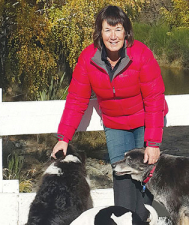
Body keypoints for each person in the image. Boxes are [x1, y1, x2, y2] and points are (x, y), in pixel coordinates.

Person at [51, 5, 168, 222]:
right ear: (99, 33)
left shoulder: (141, 55)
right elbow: (76, 100)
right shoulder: (88, 59)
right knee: (122, 178)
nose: (113, 36)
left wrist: (152, 142)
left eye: (118, 29)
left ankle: (141, 219)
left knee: (144, 179)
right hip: (115, 124)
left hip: (145, 122)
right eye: (107, 30)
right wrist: (63, 138)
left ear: (126, 32)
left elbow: (154, 100)